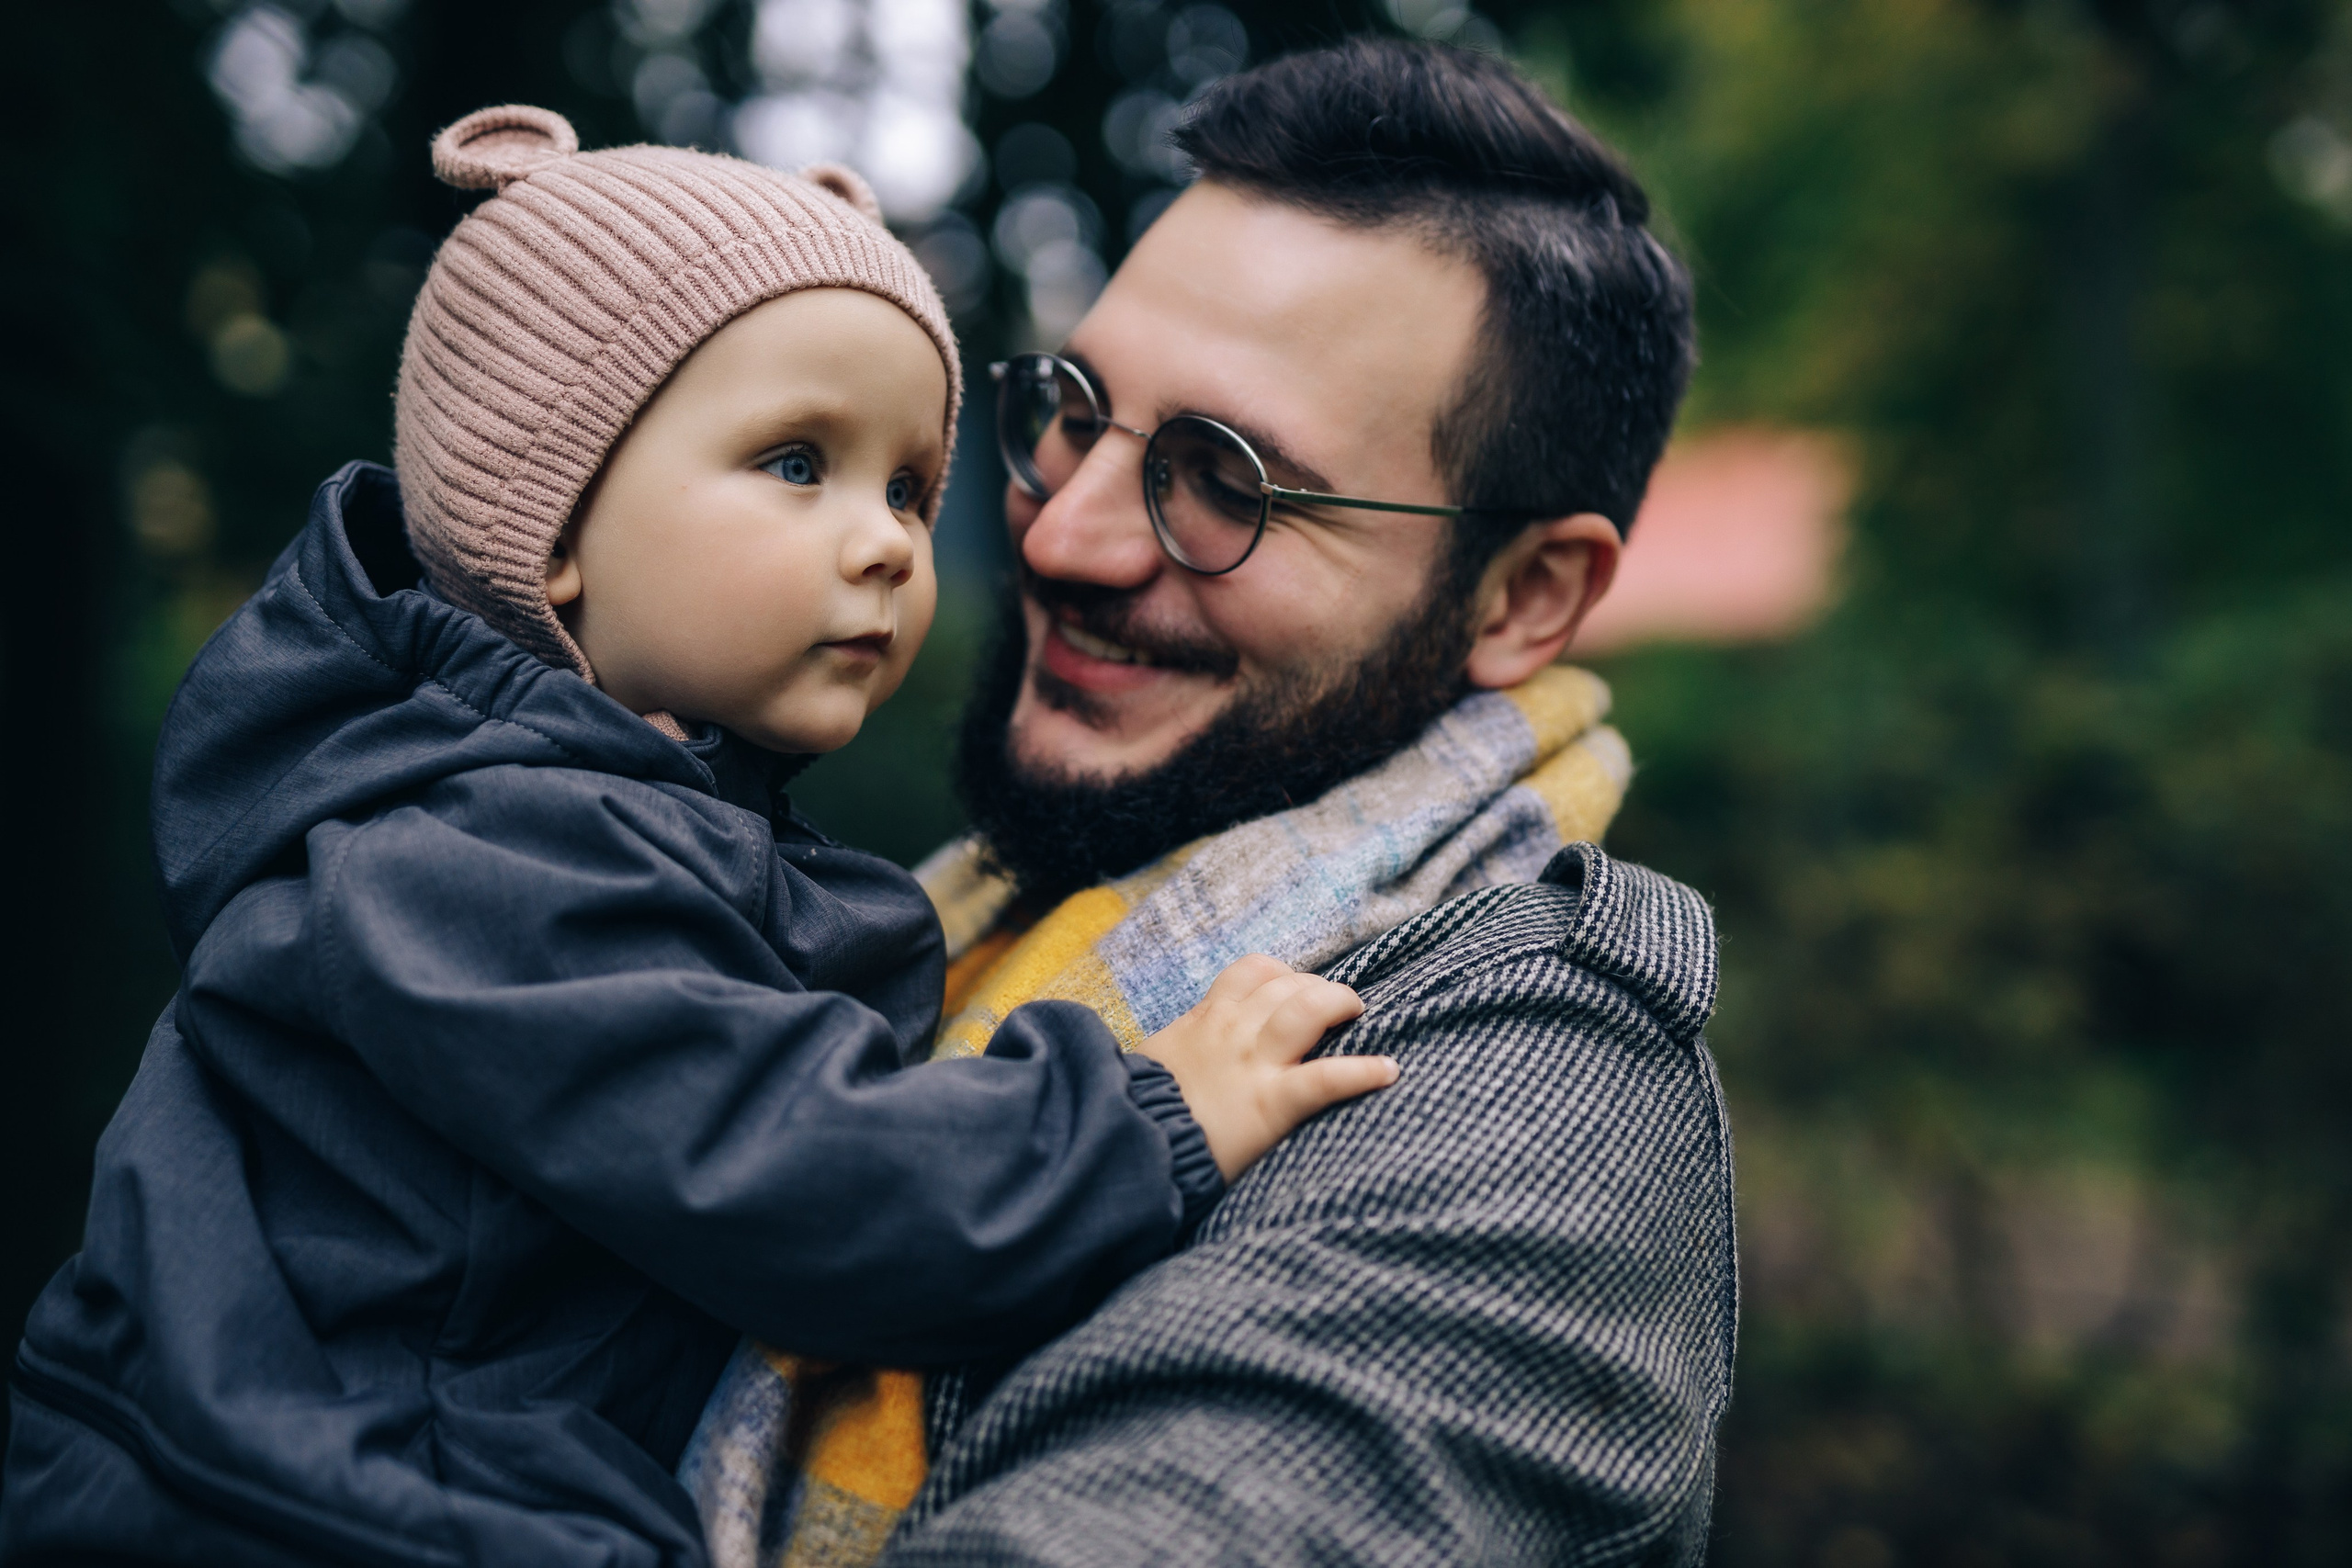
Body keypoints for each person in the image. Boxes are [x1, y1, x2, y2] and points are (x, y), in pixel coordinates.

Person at [0, 107, 1396, 1568]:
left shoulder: (577, 805)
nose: (888, 543)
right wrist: (1142, 1120)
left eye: (909, 487)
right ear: (548, 530)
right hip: (332, 1511)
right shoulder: (481, 851)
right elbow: (793, 1173)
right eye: (798, 463)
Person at [855, 37, 1734, 1567]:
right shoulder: (927, 935)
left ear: (1524, 597)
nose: (1064, 535)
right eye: (1074, 407)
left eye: (1224, 478)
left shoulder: (1521, 1113)